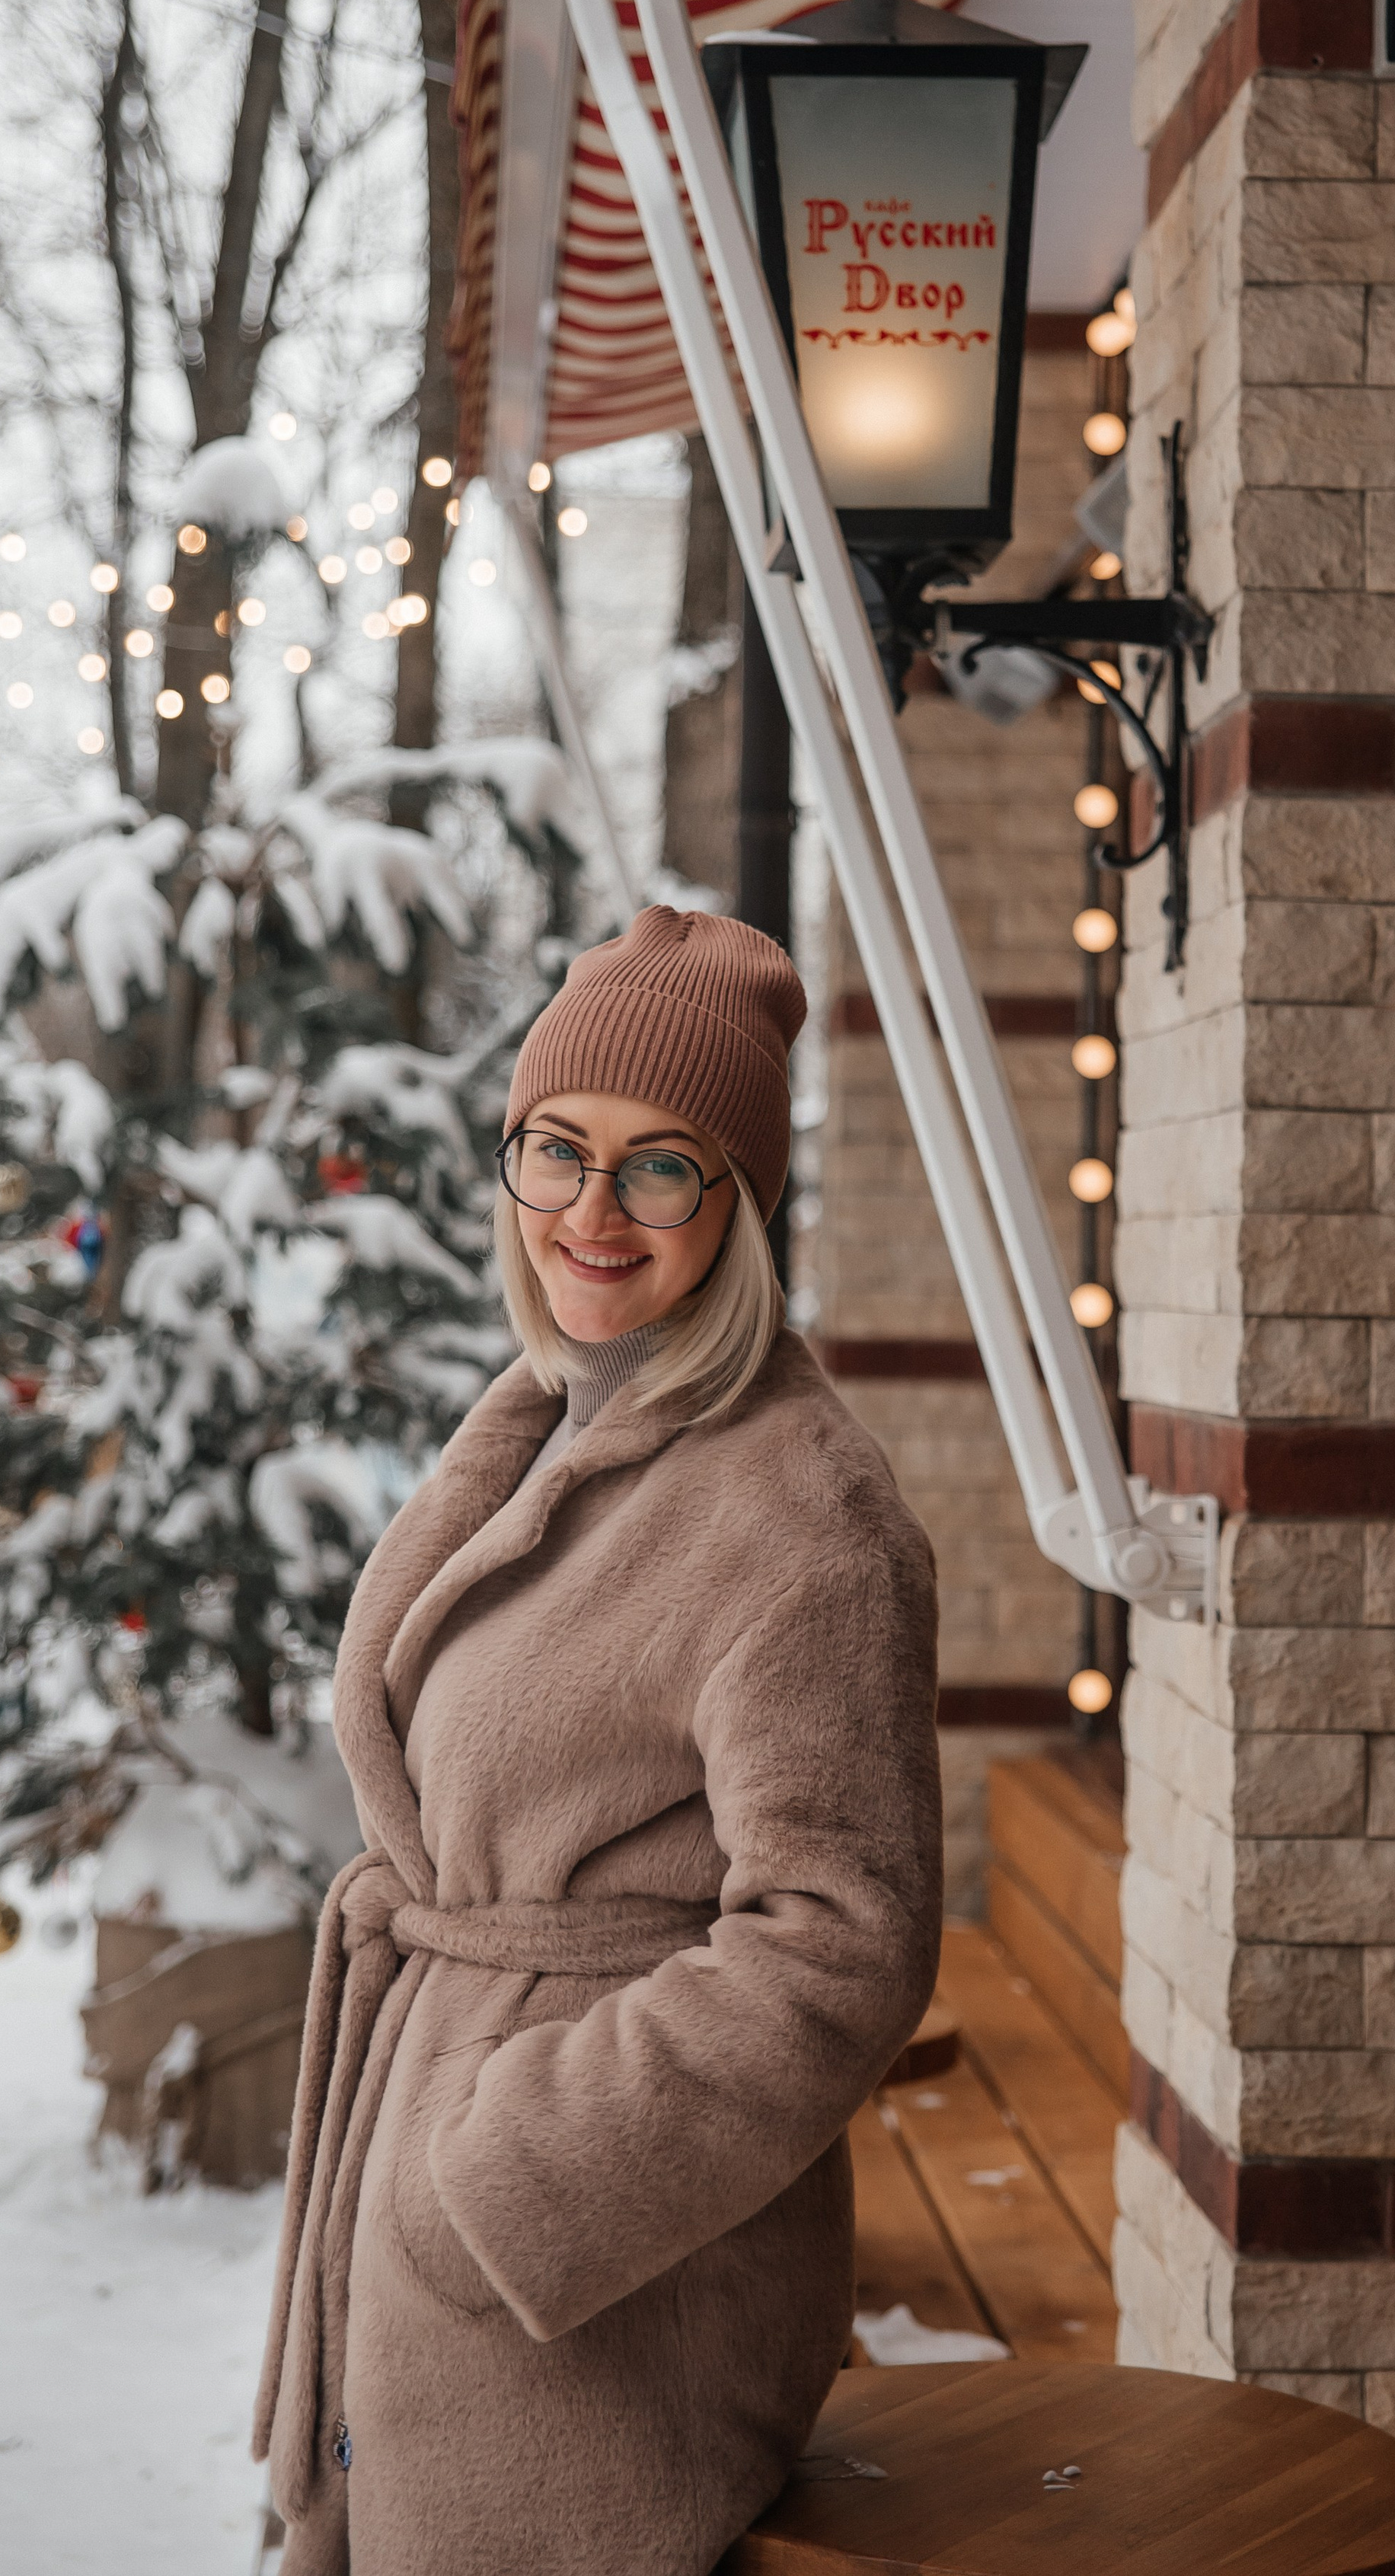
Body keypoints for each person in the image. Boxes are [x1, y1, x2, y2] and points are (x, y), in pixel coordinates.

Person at [254, 907, 943, 2576]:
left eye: (661, 1167)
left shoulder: (803, 1515)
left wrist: (502, 2179)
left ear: (740, 1199)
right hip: (443, 2205)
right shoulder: (553, 1418)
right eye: (556, 1148)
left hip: (603, 2296)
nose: (590, 1208)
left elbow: (844, 1942)